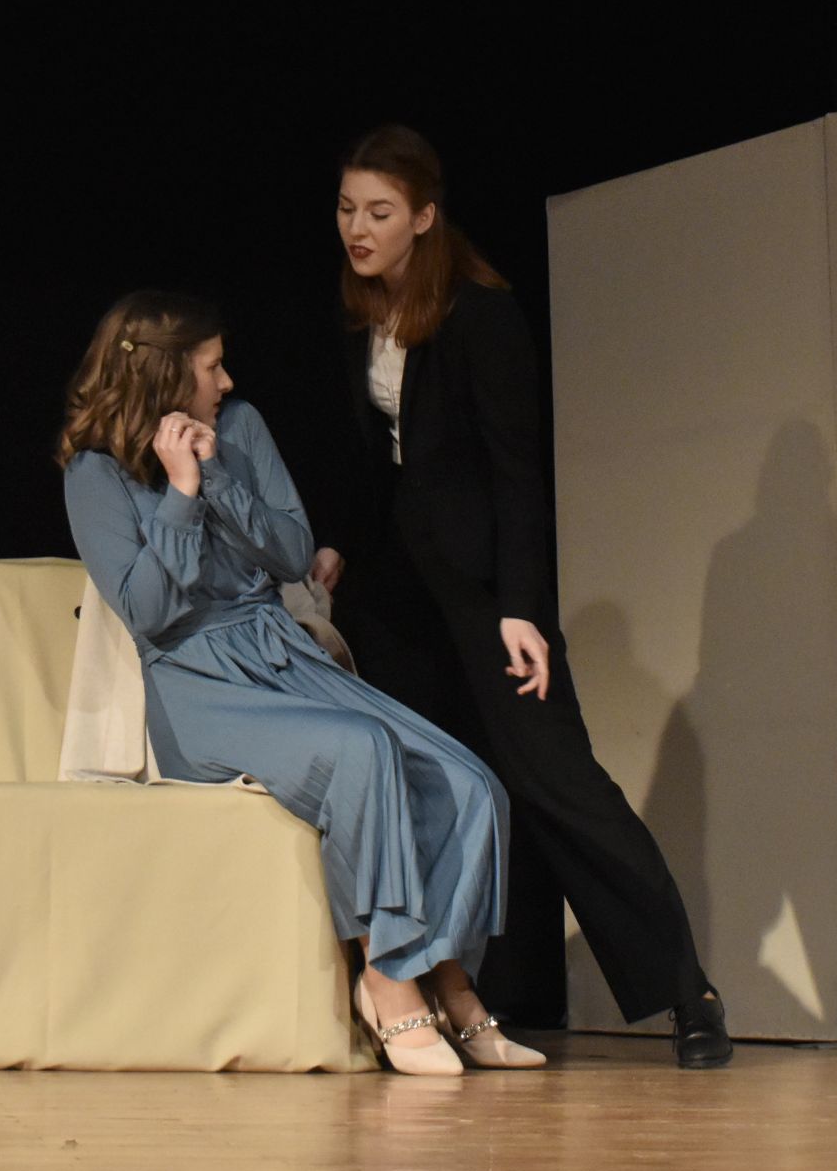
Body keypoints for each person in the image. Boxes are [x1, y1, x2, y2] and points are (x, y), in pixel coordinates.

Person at [309, 124, 732, 1069]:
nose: (357, 228)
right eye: (345, 209)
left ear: (425, 216)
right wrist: (335, 541)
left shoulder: (481, 315)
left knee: (556, 781)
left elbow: (517, 475)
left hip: (483, 590)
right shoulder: (357, 312)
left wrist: (523, 607)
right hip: (396, 596)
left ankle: (686, 989)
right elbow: (365, 460)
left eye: (380, 211)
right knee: (420, 783)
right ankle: (439, 991)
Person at [58, 289, 544, 1075]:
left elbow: (291, 552)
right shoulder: (95, 473)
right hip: (197, 684)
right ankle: (387, 980)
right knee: (362, 749)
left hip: (282, 651)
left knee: (469, 780)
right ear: (165, 375)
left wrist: (218, 475)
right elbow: (148, 610)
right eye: (211, 366)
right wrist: (181, 491)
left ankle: (452, 981)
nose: (226, 380)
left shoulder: (240, 427)